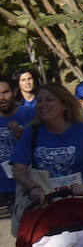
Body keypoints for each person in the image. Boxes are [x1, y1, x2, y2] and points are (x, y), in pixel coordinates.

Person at [11, 83, 83, 223]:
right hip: (48, 211)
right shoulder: (31, 132)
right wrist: (33, 187)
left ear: (64, 105)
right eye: (39, 100)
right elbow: (18, 169)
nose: (43, 104)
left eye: (49, 99)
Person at [0, 75, 37, 223]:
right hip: (6, 184)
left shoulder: (30, 115)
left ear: (15, 92)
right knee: (22, 231)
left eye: (5, 92)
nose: (1, 97)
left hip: (32, 181)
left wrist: (21, 136)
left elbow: (43, 146)